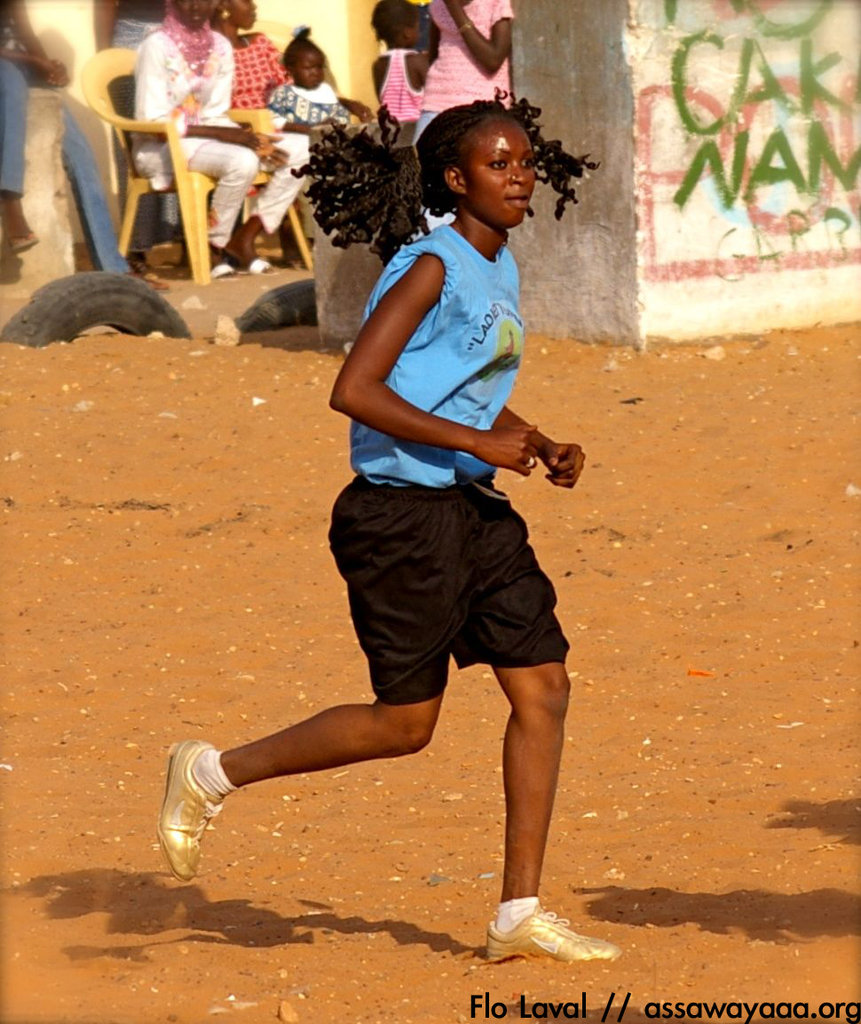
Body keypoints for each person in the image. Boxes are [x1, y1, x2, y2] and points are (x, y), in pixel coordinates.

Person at [157, 94, 617, 965]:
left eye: (524, 162)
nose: (519, 177)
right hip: (400, 518)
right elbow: (357, 391)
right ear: (454, 179)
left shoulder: (498, 263)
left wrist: (532, 438)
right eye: (497, 164)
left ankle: (517, 913)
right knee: (405, 725)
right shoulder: (429, 269)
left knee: (543, 687)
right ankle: (211, 771)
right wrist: (479, 440)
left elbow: (456, 384)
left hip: (474, 508)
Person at [132, 0, 298, 276]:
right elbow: (151, 121)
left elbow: (217, 113)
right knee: (243, 161)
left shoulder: (220, 46)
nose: (196, 6)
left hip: (209, 142)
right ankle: (211, 244)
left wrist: (247, 136)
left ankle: (240, 239)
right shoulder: (156, 46)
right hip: (161, 147)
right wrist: (228, 135)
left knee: (298, 152)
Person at [0, 0, 150, 280]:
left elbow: (25, 33)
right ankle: (11, 203)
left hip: (24, 72)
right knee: (11, 82)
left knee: (82, 156)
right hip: (7, 75)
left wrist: (49, 68)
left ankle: (112, 267)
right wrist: (35, 62)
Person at [211, 0, 310, 267]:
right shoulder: (210, 50)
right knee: (299, 150)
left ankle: (247, 234)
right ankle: (243, 240)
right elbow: (210, 106)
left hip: (274, 126)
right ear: (223, 6)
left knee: (310, 147)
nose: (254, 7)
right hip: (235, 133)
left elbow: (288, 89)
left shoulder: (261, 43)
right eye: (246, 1)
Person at [93, 0, 177, 282]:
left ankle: (185, 240)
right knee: (136, 142)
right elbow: (104, 6)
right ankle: (135, 248)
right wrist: (104, 62)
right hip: (129, 46)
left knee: (182, 135)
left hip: (177, 39)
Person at [416, 0, 512, 140]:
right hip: (437, 103)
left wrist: (454, 8)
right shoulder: (438, 4)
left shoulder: (496, 3)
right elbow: (434, 54)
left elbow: (493, 60)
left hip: (483, 107)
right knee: (416, 159)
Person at [267, 27, 373, 130]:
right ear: (291, 70)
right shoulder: (283, 93)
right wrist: (313, 129)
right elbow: (278, 123)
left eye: (320, 67)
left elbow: (338, 114)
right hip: (300, 143)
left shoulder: (326, 90)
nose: (316, 73)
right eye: (308, 68)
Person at [371, 0, 427, 129]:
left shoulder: (378, 65)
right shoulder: (417, 61)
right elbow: (434, 95)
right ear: (407, 33)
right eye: (417, 27)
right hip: (417, 130)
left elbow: (383, 101)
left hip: (391, 132)